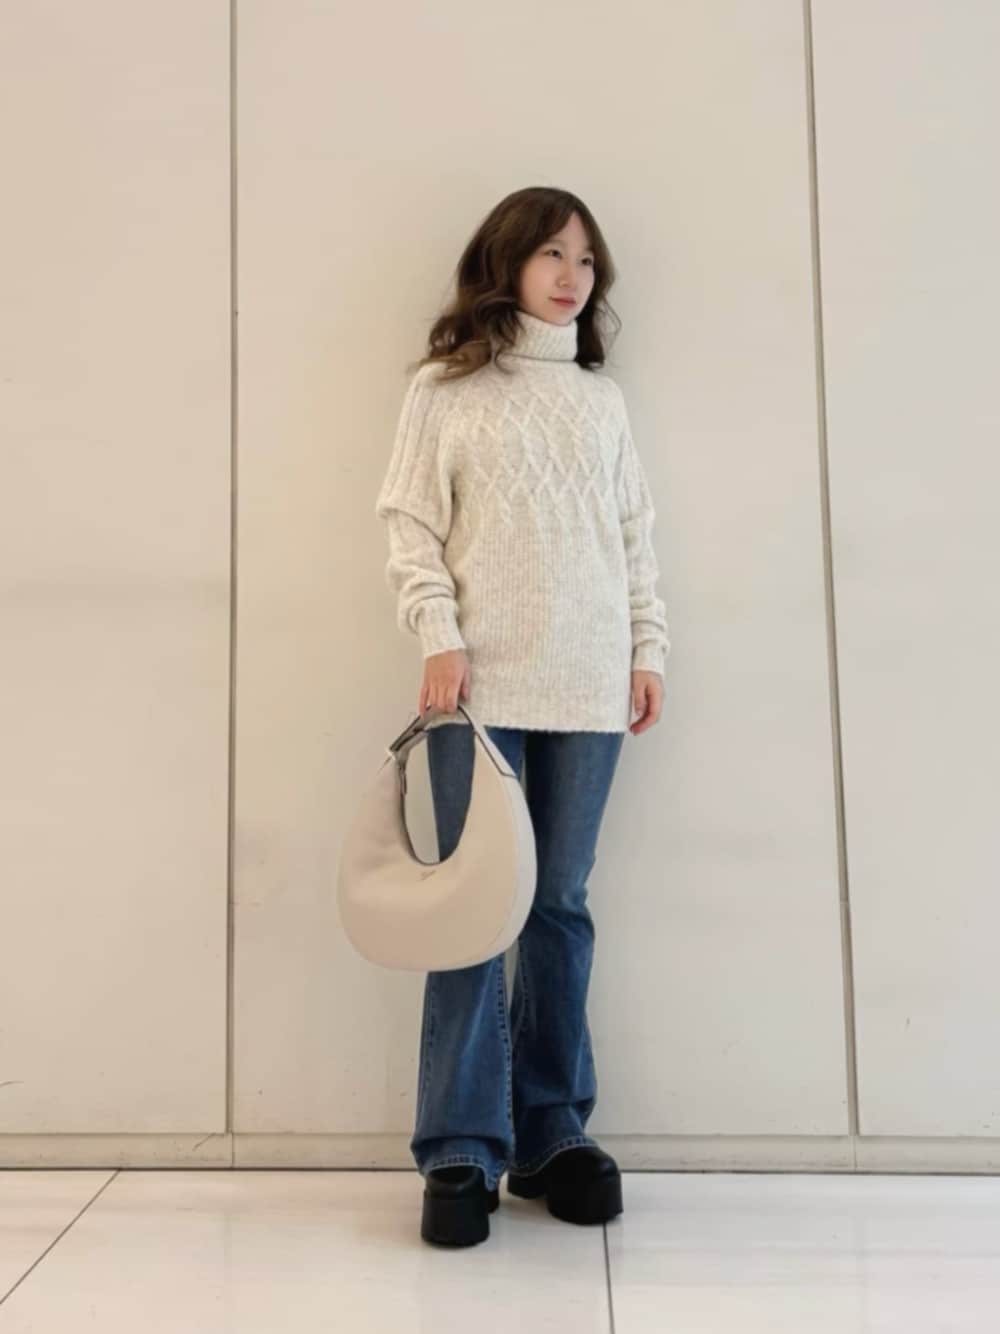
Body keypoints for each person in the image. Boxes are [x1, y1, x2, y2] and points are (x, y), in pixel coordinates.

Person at [374, 186, 670, 1247]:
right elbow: (410, 523)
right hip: (479, 688)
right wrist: (437, 633)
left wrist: (646, 648)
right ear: (506, 261)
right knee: (473, 908)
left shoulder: (600, 401)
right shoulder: (446, 389)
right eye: (551, 253)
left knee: (560, 906)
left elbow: (633, 534)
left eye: (586, 260)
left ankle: (552, 1130)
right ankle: (460, 1143)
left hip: (590, 685)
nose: (571, 276)